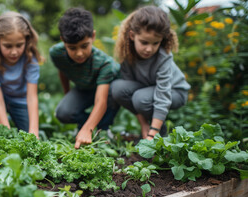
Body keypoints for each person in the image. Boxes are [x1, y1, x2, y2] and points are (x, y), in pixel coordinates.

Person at [111, 6, 190, 140]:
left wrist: (153, 132)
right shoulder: (127, 54)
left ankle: (159, 133)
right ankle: (151, 130)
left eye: (155, 43)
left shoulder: (163, 57)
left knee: (141, 99)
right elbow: (130, 91)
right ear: (132, 35)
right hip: (147, 90)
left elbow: (163, 95)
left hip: (174, 91)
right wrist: (143, 124)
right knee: (118, 88)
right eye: (144, 42)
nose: (149, 49)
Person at [50, 7, 120, 149]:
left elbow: (101, 102)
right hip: (83, 89)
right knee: (63, 113)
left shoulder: (104, 63)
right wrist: (67, 93)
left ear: (93, 36)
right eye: (72, 48)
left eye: (84, 46)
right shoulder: (56, 53)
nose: (79, 53)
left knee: (115, 91)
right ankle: (86, 124)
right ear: (63, 40)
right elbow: (63, 70)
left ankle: (103, 129)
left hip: (107, 89)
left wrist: (88, 130)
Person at [0, 11, 43, 138]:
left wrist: (34, 130)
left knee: (27, 129)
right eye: (7, 46)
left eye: (19, 45)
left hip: (20, 97)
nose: (14, 52)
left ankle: (13, 115)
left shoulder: (30, 59)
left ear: (26, 40)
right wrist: (8, 134)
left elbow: (32, 97)